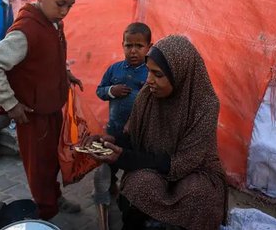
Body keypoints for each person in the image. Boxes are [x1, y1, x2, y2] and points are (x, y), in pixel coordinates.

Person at [82, 35, 227, 230]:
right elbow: (137, 136)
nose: (149, 80)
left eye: (158, 74)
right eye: (149, 71)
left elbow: (185, 161)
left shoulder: (205, 106)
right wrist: (111, 140)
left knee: (199, 195)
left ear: (180, 74)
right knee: (140, 185)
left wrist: (124, 157)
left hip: (195, 170)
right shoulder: (147, 96)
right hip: (154, 163)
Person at [0, 0, 83, 220]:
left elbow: (47, 60)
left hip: (51, 109)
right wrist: (11, 104)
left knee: (53, 160)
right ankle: (46, 215)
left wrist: (65, 74)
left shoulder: (54, 24)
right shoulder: (25, 32)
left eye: (70, 6)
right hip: (32, 116)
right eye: (61, 4)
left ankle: (55, 198)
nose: (65, 11)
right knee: (38, 168)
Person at [94, 22, 152, 230]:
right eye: (129, 46)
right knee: (105, 169)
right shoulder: (114, 69)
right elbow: (99, 91)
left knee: (132, 171)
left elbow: (152, 102)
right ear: (122, 45)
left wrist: (133, 121)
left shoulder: (151, 73)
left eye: (139, 46)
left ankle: (128, 203)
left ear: (148, 47)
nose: (133, 50)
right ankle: (104, 209)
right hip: (113, 130)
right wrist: (111, 90)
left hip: (137, 137)